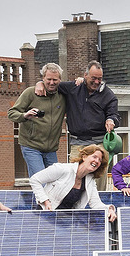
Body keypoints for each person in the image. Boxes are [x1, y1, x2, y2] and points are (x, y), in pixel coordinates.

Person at [40, 61, 120, 191]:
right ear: (85, 75)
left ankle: (98, 207)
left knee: (98, 179)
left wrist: (111, 120)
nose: (96, 82)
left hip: (99, 144)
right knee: (73, 178)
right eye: (93, 78)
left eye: (99, 79)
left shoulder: (108, 95)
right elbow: (53, 84)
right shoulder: (74, 87)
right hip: (78, 143)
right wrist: (39, 83)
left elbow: (115, 115)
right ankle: (76, 208)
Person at [28, 144, 117, 221]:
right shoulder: (63, 169)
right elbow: (35, 179)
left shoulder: (90, 181)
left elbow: (96, 204)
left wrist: (109, 210)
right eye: (94, 157)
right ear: (84, 157)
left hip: (66, 221)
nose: (97, 161)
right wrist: (45, 201)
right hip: (45, 216)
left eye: (100, 160)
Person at [8, 63, 66, 177]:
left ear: (60, 79)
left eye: (55, 79)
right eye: (48, 79)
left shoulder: (63, 95)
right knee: (41, 180)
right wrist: (25, 116)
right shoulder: (31, 93)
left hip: (51, 149)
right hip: (31, 146)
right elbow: (11, 113)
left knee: (55, 182)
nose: (51, 82)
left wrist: (79, 80)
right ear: (43, 78)